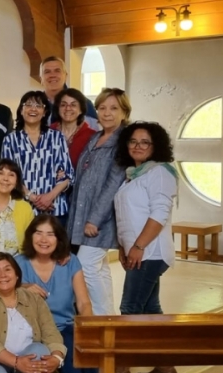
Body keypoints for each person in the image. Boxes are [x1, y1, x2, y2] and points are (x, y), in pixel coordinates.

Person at [114, 121, 179, 373]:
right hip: (139, 251)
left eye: (145, 142)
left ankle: (121, 370)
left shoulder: (160, 173)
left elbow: (159, 214)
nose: (138, 146)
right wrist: (123, 246)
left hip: (150, 252)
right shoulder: (134, 173)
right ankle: (165, 368)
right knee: (151, 310)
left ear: (156, 146)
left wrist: (138, 246)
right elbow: (128, 216)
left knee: (130, 308)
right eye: (133, 141)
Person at [66, 88, 130, 317]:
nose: (107, 113)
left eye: (114, 108)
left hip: (103, 217)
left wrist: (94, 219)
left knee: (86, 264)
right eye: (102, 107)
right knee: (100, 267)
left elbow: (114, 182)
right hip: (82, 212)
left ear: (124, 111)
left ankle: (101, 319)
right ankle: (108, 317)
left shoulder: (123, 141)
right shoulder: (95, 136)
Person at [15, 215, 96, 373]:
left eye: (50, 234)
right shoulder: (18, 263)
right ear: (30, 236)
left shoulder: (70, 261)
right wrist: (24, 287)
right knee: (69, 356)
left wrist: (88, 332)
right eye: (39, 233)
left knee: (84, 351)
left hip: (65, 326)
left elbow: (83, 302)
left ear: (59, 238)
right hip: (33, 330)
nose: (44, 239)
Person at [2, 91, 73, 226]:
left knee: (55, 246)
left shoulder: (57, 137)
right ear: (21, 110)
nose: (33, 109)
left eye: (39, 105)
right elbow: (8, 177)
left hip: (55, 208)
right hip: (22, 209)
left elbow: (68, 173)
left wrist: (49, 197)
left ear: (45, 111)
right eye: (28, 105)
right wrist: (32, 197)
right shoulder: (10, 140)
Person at [40, 56, 97, 127]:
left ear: (65, 76)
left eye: (57, 71)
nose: (52, 75)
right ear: (41, 78)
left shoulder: (83, 103)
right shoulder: (34, 105)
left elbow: (94, 133)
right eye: (47, 72)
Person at [50, 88, 98, 168]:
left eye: (73, 105)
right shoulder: (48, 132)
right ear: (58, 108)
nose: (68, 108)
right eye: (63, 105)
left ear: (81, 110)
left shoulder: (92, 136)